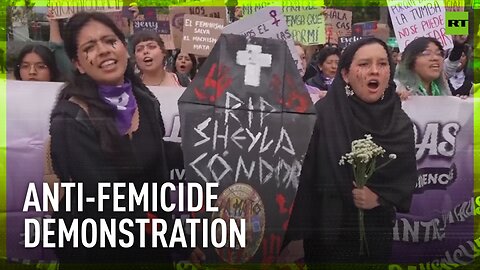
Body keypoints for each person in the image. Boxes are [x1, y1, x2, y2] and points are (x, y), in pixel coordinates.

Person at [49, 12, 174, 269]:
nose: (103, 50)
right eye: (90, 47)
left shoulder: (146, 101)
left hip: (150, 245)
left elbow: (157, 172)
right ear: (79, 64)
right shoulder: (71, 117)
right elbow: (104, 198)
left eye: (110, 41)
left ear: (124, 49)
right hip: (96, 248)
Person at [283, 38, 417, 268]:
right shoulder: (322, 115)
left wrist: (380, 197)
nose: (374, 70)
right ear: (345, 74)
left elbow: (405, 174)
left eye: (383, 64)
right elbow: (300, 177)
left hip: (375, 234)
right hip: (327, 236)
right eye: (364, 64)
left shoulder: (399, 120)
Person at [395, 36, 468, 99]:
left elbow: (451, 64)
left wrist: (458, 105)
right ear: (410, 60)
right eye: (426, 53)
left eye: (438, 53)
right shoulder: (398, 90)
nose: (435, 58)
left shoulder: (441, 89)